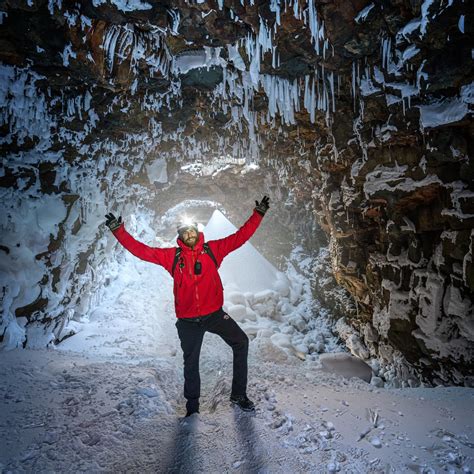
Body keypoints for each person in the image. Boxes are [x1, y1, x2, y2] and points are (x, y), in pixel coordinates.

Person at [105, 196, 270, 417]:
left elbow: (240, 237)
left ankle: (238, 395)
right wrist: (119, 231)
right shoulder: (172, 257)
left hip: (214, 315)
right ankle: (192, 409)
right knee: (191, 364)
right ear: (180, 236)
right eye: (185, 232)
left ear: (197, 232)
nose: (189, 234)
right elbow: (141, 251)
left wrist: (257, 215)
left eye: (192, 230)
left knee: (241, 342)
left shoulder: (213, 251)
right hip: (188, 322)